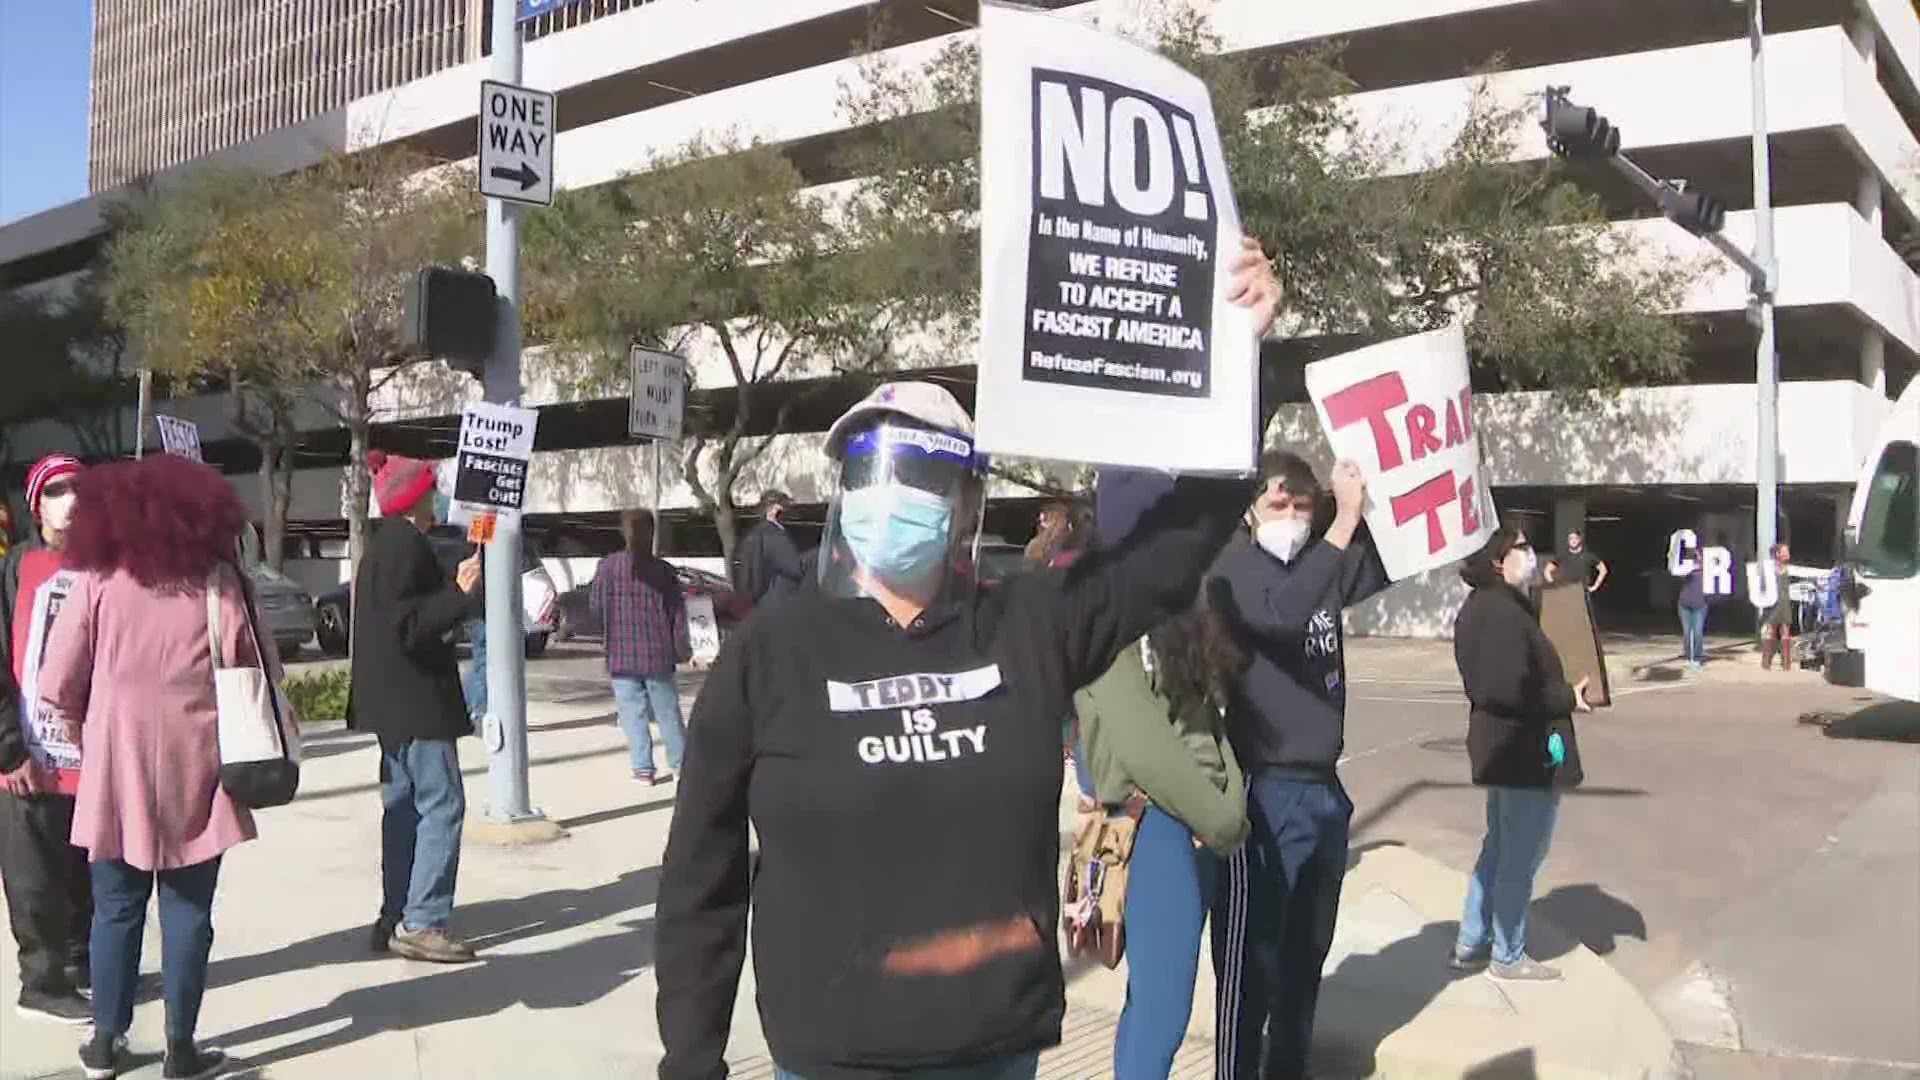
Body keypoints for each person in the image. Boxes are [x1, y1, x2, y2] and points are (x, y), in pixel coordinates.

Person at [654, 238, 1279, 1080]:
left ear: (963, 504)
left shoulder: (1029, 623)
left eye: (917, 470)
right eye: (871, 469)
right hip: (830, 1057)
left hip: (992, 1049)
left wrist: (1244, 358)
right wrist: (691, 1058)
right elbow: (702, 873)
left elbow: (1174, 550)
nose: (891, 494)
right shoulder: (772, 650)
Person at [37, 453, 287, 1079]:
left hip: (113, 772)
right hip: (198, 771)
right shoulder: (219, 580)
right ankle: (180, 1048)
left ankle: (104, 1043)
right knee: (188, 911)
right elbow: (264, 670)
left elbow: (55, 680)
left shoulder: (98, 577)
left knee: (115, 908)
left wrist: (80, 730)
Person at [1205, 450, 1390, 1080]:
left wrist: (1385, 490)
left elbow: (1399, 552)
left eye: (1302, 505)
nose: (1291, 516)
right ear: (1252, 510)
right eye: (1278, 504)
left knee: (1305, 957)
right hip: (1265, 786)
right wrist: (1342, 523)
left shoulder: (1323, 561)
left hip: (1323, 789)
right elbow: (1280, 614)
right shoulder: (1234, 571)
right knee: (1252, 962)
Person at [1074, 472, 1248, 1080]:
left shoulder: (1174, 614)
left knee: (1152, 999)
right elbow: (1146, 749)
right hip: (1151, 830)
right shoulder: (1101, 626)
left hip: (1195, 826)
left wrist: (1228, 800)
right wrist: (1224, 818)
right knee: (1164, 1010)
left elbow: (1206, 720)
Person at [349, 452, 482, 965]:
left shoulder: (385, 547)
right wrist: (458, 594)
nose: (438, 496)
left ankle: (396, 911)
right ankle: (423, 920)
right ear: (415, 497)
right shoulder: (407, 546)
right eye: (432, 489)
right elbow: (411, 626)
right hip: (416, 701)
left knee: (403, 809)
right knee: (442, 804)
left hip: (391, 705)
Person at [1450, 527, 1589, 982]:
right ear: (1497, 559)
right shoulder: (1500, 615)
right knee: (1521, 853)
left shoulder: (1495, 607)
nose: (1531, 556)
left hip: (1505, 748)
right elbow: (1511, 689)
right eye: (1522, 549)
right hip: (1522, 749)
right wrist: (1566, 696)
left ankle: (1473, 939)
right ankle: (1507, 953)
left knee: (1500, 845)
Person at [0, 452, 94, 1026]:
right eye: (58, 489)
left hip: (91, 756)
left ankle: (83, 962)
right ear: (37, 504)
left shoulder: (107, 566)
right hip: (27, 757)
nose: (72, 499)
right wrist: (9, 748)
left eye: (81, 487)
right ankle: (42, 979)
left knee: (86, 867)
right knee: (34, 874)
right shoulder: (14, 571)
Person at [589, 509, 691, 784]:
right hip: (657, 652)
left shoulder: (607, 567)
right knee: (668, 713)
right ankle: (680, 765)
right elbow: (676, 614)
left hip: (621, 652)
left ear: (623, 532)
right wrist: (682, 648)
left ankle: (643, 769)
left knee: (632, 714)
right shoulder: (663, 571)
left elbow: (596, 606)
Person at [734, 489, 805, 609]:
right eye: (784, 506)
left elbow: (744, 574)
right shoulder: (776, 536)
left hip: (755, 605)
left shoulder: (752, 536)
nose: (787, 510)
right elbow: (796, 568)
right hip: (778, 605)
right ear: (773, 509)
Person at [1759, 543, 1794, 672]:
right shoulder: (1769, 570)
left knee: (1785, 632)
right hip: (1773, 604)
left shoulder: (1789, 569)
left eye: (1787, 552)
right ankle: (1766, 663)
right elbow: (1762, 586)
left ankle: (1786, 664)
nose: (1787, 554)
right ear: (1777, 554)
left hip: (1784, 604)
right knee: (1770, 631)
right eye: (1784, 552)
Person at [1544, 529, 1608, 594]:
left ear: (1580, 540)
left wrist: (1595, 587)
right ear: (1568, 541)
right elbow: (1547, 570)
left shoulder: (1588, 556)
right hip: (1566, 593)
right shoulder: (1562, 556)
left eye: (1576, 538)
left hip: (1583, 593)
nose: (1573, 541)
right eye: (1571, 538)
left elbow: (1603, 569)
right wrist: (1554, 585)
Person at [1677, 557, 1710, 672]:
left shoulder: (1708, 573)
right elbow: (1678, 573)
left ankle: (1697, 658)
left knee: (1697, 632)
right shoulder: (1686, 571)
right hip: (1684, 604)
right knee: (1687, 633)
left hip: (1700, 605)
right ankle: (1688, 656)